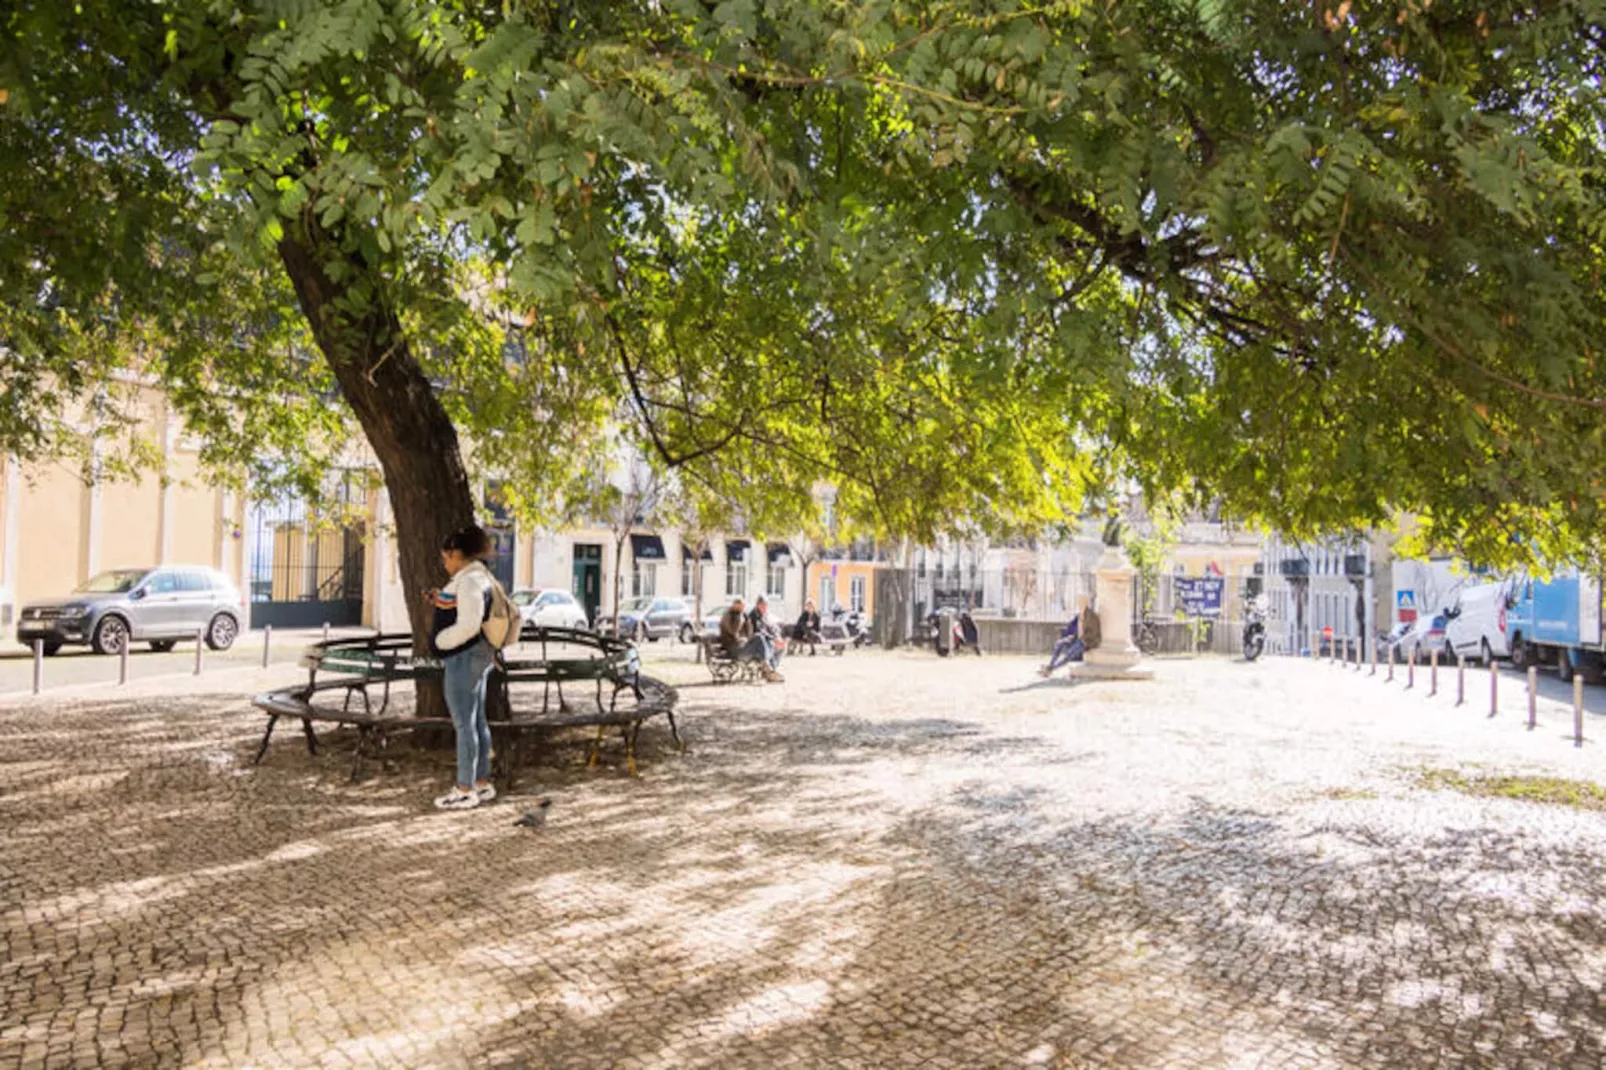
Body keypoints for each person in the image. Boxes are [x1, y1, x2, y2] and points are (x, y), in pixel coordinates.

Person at [428, 524, 499, 810]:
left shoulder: (469, 581)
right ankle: (481, 783)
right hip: (476, 656)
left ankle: (464, 788)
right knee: (476, 720)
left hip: (463, 657)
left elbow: (469, 623)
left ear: (457, 554)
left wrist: (441, 641)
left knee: (463, 723)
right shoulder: (480, 577)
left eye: (446, 558)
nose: (445, 564)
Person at [720, 597, 782, 682]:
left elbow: (749, 634)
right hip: (734, 649)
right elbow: (733, 631)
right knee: (759, 637)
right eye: (741, 606)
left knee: (765, 640)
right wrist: (739, 617)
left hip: (743, 647)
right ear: (735, 605)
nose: (743, 608)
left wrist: (747, 623)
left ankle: (770, 669)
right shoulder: (728, 615)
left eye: (743, 606)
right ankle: (768, 670)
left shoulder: (744, 615)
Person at [1039, 609, 1086, 677]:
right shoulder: (1076, 620)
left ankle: (1050, 669)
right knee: (1059, 643)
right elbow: (1070, 630)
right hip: (1073, 640)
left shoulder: (1088, 619)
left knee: (1069, 654)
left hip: (1082, 643)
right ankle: (1050, 665)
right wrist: (1069, 636)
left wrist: (1074, 636)